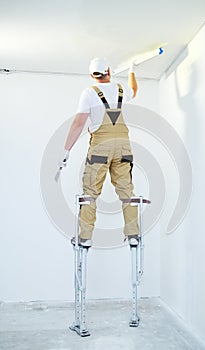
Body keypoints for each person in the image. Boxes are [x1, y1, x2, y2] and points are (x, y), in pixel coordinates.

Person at [60, 57, 139, 247]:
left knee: (90, 192)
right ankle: (133, 234)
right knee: (126, 191)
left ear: (92, 75)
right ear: (109, 72)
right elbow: (134, 90)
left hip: (100, 147)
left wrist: (66, 151)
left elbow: (79, 123)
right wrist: (131, 71)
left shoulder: (89, 93)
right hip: (123, 146)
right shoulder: (121, 89)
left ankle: (85, 237)